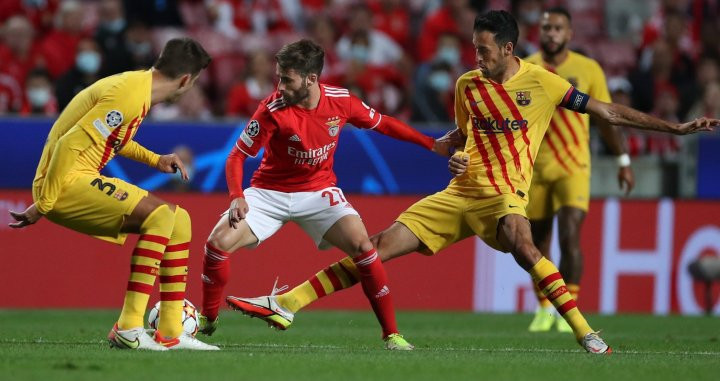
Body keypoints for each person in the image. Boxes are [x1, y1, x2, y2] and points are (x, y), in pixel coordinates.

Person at [225, 10, 717, 354]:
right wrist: (454, 153)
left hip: (505, 193)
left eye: (484, 49)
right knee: (373, 249)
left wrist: (672, 128)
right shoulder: (468, 84)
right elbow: (463, 134)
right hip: (459, 193)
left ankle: (586, 333)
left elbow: (606, 110)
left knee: (525, 245)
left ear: (507, 47)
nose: (476, 56)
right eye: (473, 48)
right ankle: (287, 303)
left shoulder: (544, 83)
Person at [197, 39, 457, 350]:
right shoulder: (271, 110)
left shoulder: (342, 101)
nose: (279, 86)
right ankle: (208, 318)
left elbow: (383, 124)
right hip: (269, 193)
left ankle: (392, 335)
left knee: (364, 247)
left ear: (311, 79)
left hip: (318, 191)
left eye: (287, 79)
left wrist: (431, 144)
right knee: (216, 243)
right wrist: (237, 196)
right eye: (278, 77)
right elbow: (237, 156)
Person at [8, 38, 218, 351]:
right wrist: (44, 204)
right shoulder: (130, 95)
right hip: (64, 181)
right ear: (186, 80)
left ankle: (171, 332)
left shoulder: (136, 88)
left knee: (179, 220)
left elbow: (112, 140)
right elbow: (69, 145)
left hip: (75, 177)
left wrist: (155, 159)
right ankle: (129, 326)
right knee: (160, 216)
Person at [522, 7, 635, 333]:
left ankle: (566, 309)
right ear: (540, 32)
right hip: (535, 167)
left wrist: (623, 160)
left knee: (570, 235)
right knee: (537, 242)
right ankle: (544, 308)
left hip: (574, 165)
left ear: (570, 34)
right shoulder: (526, 67)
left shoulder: (588, 69)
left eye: (558, 28)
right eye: (546, 28)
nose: (551, 34)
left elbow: (606, 118)